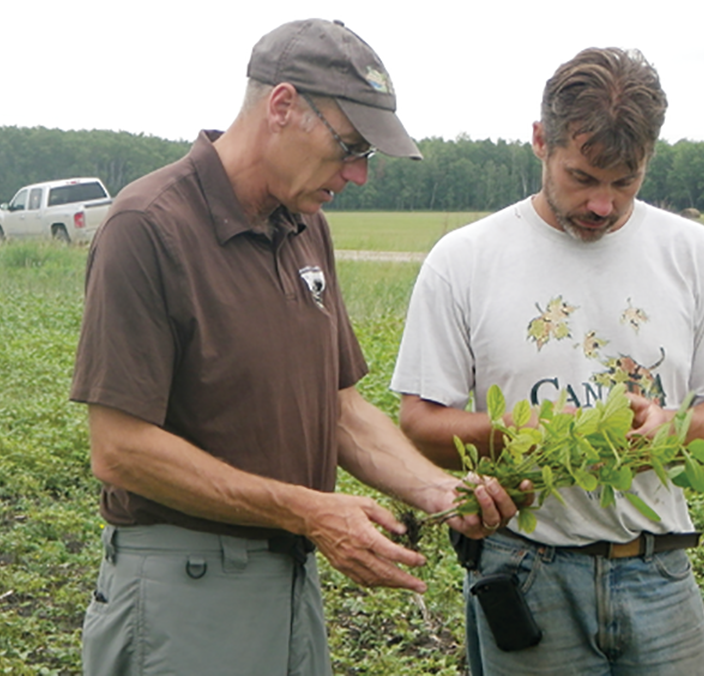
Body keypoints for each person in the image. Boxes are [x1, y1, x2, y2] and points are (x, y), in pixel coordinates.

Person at [70, 18, 521, 676]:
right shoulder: (149, 227)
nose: (360, 174)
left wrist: (440, 492)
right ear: (282, 106)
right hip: (181, 593)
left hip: (290, 580)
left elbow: (337, 408)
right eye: (350, 146)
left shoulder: (306, 227)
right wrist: (310, 510)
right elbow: (120, 449)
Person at [392, 47, 704, 675]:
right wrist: (523, 436)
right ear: (541, 140)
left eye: (624, 183)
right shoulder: (464, 260)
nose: (603, 205)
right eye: (583, 178)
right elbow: (421, 421)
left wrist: (671, 430)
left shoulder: (695, 255)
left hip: (658, 568)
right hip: (525, 566)